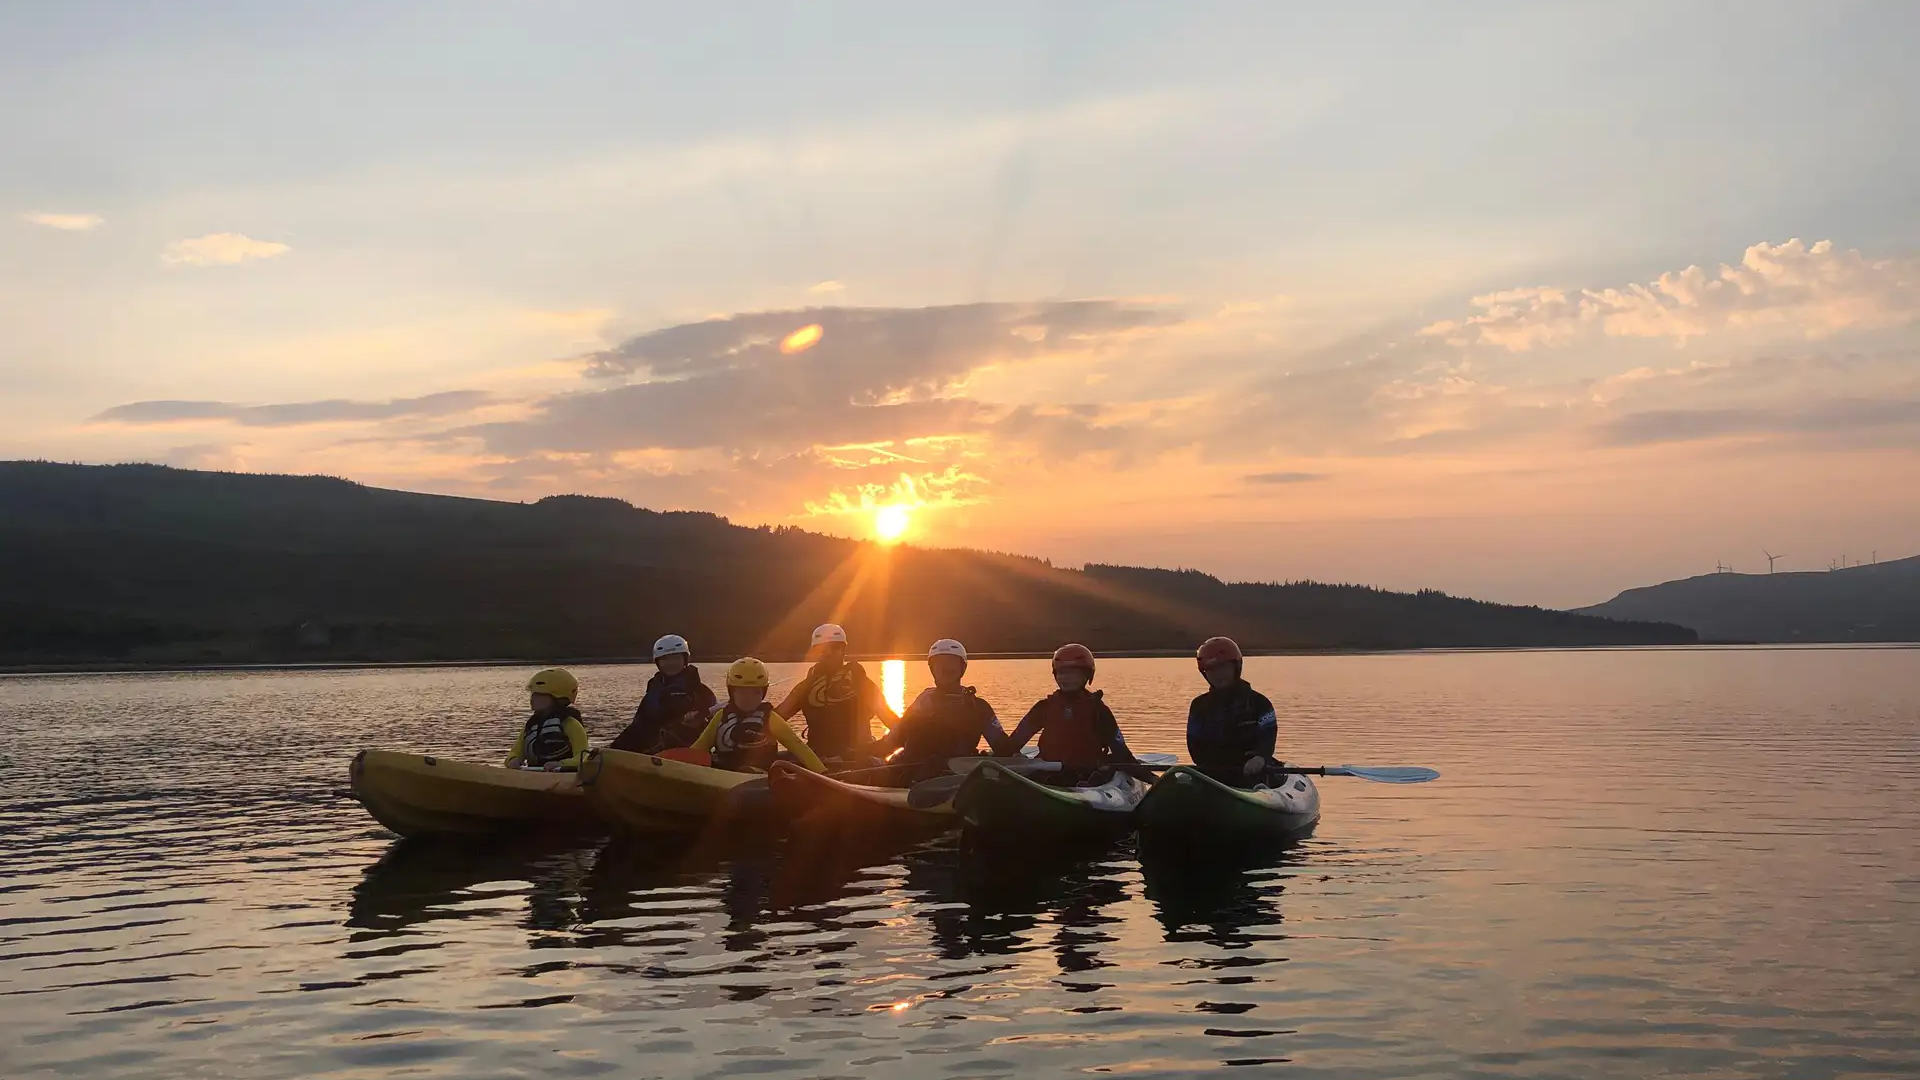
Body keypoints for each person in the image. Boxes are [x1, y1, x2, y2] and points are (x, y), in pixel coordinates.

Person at [869, 638, 1010, 777]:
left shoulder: (978, 706)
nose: (946, 668)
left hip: (959, 773)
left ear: (962, 668)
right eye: (940, 663)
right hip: (915, 772)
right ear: (932, 669)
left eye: (952, 663)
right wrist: (865, 753)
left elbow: (1002, 745)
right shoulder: (922, 703)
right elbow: (895, 738)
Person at [1003, 643, 1139, 777]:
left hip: (1088, 778)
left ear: (1087, 675)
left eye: (1073, 673)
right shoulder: (1043, 707)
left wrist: (1151, 779)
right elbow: (1013, 744)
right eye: (1062, 673)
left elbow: (1121, 753)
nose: (1066, 678)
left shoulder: (1099, 710)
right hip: (1048, 775)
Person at [773, 623, 900, 764]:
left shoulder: (860, 681)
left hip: (858, 758)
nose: (828, 653)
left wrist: (907, 738)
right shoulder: (806, 686)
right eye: (822, 649)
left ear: (843, 650)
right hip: (818, 760)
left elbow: (890, 719)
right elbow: (776, 718)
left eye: (834, 648)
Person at [693, 657, 827, 774]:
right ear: (732, 692)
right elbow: (699, 748)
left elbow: (799, 747)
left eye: (755, 693)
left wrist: (823, 773)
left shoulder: (769, 718)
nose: (749, 698)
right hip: (726, 774)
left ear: (763, 693)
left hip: (759, 780)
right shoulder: (721, 716)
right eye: (742, 692)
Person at [1186, 636, 1280, 787]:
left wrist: (1260, 757)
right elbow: (1195, 745)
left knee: (1258, 777)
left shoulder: (1259, 703)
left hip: (1253, 771)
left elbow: (1268, 736)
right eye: (1211, 669)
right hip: (1214, 774)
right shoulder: (1199, 706)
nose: (1218, 674)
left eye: (1223, 667)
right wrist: (1210, 767)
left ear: (1236, 667)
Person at [610, 634, 718, 753]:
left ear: (685, 660)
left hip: (685, 750)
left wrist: (698, 718)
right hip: (652, 750)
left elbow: (713, 724)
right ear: (658, 663)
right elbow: (639, 724)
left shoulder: (701, 692)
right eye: (665, 659)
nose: (671, 663)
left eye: (676, 658)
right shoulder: (654, 691)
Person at [506, 668, 591, 771]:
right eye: (533, 693)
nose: (532, 698)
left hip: (565, 776)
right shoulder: (530, 725)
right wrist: (513, 759)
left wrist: (560, 764)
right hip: (534, 775)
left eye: (539, 694)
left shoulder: (570, 724)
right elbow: (516, 751)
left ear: (558, 698)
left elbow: (584, 758)